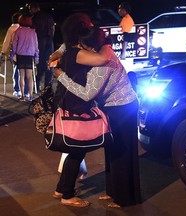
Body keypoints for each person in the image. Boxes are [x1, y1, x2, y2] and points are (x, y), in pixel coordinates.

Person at [53, 25, 141, 208]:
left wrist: (61, 76)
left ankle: (125, 198)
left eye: (83, 46)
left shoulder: (103, 63)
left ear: (92, 46)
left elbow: (87, 94)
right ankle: (114, 192)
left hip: (123, 107)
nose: (81, 49)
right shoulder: (101, 50)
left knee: (122, 153)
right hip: (113, 107)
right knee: (112, 151)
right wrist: (59, 51)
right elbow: (68, 45)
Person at [50, 13, 112, 208]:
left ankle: (61, 189)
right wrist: (105, 41)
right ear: (81, 30)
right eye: (88, 25)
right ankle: (67, 195)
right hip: (77, 103)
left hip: (69, 101)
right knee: (78, 150)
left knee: (74, 150)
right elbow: (103, 59)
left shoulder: (69, 50)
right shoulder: (78, 53)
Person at [11, 14, 39, 102]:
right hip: (30, 56)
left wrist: (12, 55)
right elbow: (36, 46)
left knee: (21, 76)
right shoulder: (33, 32)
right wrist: (37, 57)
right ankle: (30, 96)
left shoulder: (18, 31)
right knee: (30, 77)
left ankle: (22, 95)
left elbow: (14, 45)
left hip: (20, 55)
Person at [1, 12, 29, 98]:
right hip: (28, 53)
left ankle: (17, 90)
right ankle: (26, 91)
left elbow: (7, 42)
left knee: (17, 70)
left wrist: (3, 52)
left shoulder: (12, 28)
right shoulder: (27, 28)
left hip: (16, 54)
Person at [29, 2, 55, 92]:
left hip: (39, 41)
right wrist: (51, 37)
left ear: (34, 8)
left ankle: (37, 85)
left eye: (30, 9)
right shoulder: (48, 16)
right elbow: (53, 28)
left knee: (39, 63)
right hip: (49, 41)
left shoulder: (34, 18)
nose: (30, 11)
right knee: (49, 62)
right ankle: (48, 87)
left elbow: (32, 31)